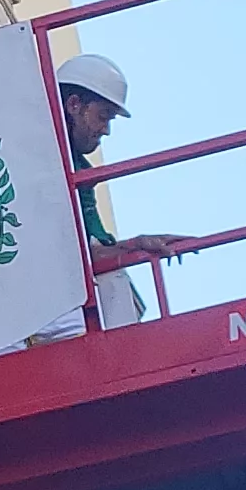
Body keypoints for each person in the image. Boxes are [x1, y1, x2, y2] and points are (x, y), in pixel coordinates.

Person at [38, 53, 196, 341]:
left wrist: (138, 246)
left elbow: (91, 250)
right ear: (74, 105)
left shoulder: (79, 171)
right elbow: (87, 255)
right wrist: (135, 247)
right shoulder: (43, 158)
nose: (106, 130)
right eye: (102, 117)